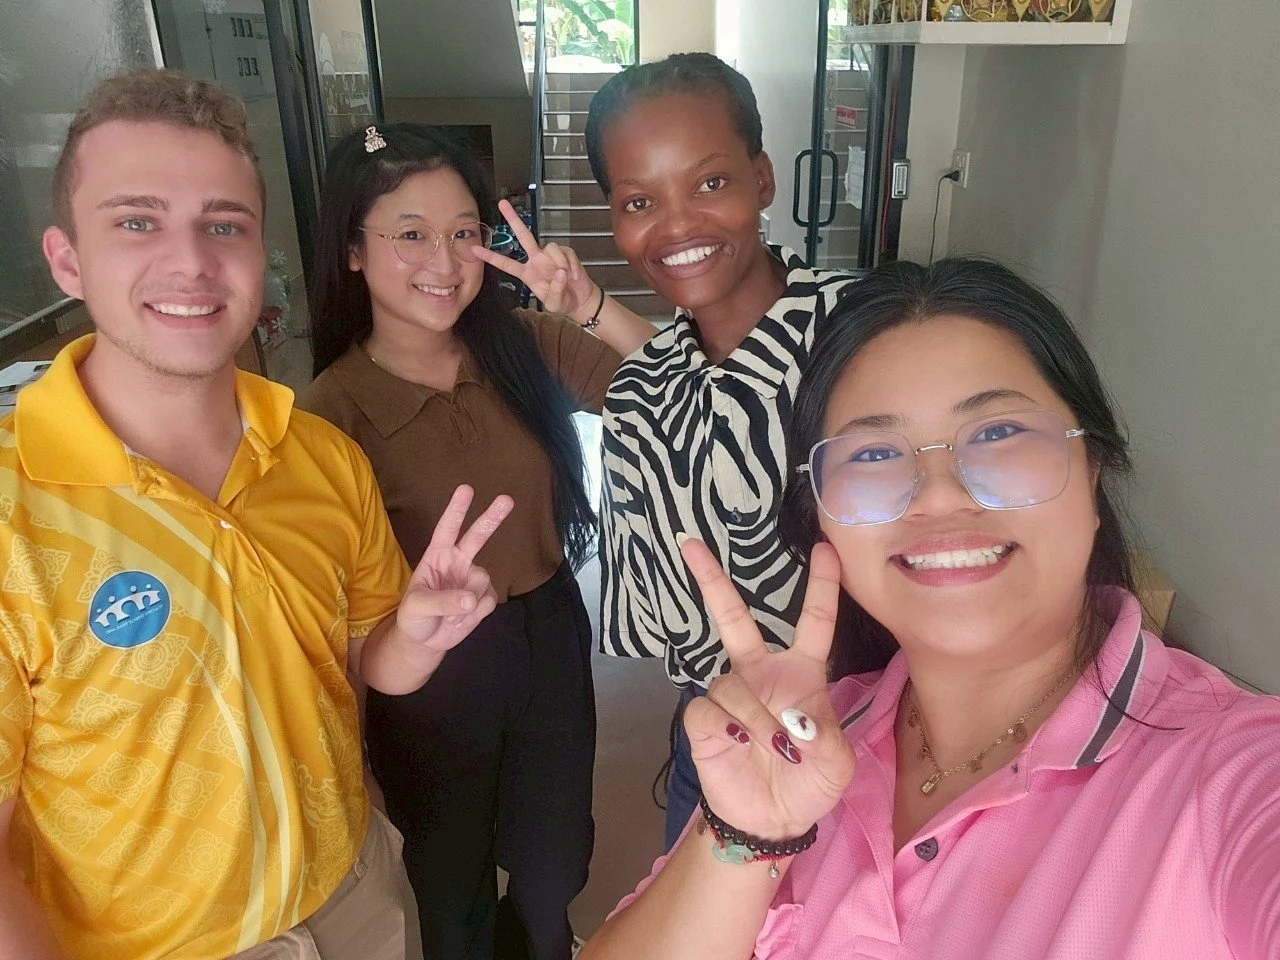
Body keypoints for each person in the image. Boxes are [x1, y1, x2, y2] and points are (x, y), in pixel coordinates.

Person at [579, 258, 1280, 960]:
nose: (938, 494)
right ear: (821, 512)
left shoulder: (1230, 771)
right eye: (875, 452)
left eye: (999, 434)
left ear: (1091, 468)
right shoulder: (809, 742)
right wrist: (748, 838)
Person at [0, 70, 510, 960]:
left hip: (354, 902)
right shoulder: (14, 510)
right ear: (66, 259)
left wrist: (416, 637)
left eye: (223, 225)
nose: (191, 262)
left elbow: (360, 664)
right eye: (136, 221)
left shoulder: (319, 456)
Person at [298, 123, 654, 960]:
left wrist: (592, 307)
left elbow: (669, 388)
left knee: (553, 860)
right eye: (411, 234)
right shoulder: (326, 414)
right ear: (353, 251)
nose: (445, 260)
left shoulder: (524, 344)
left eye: (465, 233)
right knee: (447, 872)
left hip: (548, 631)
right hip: (424, 670)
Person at [584, 52, 863, 848]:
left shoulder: (865, 333)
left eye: (710, 183)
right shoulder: (638, 399)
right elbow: (655, 622)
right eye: (639, 200)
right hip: (718, 743)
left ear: (764, 179)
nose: (677, 226)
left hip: (880, 732)